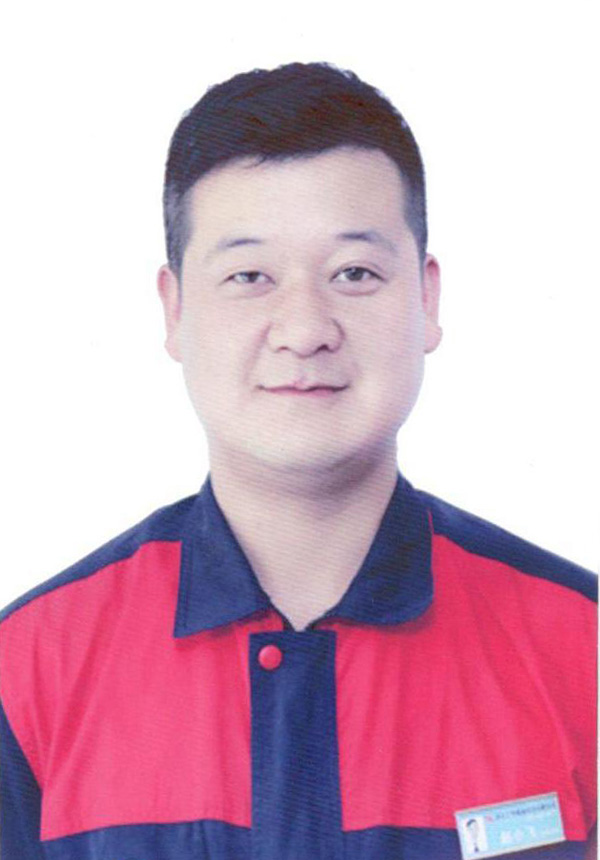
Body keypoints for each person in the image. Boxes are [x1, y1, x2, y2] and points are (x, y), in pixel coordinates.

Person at [0, 62, 596, 860]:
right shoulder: (28, 669)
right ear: (174, 309)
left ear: (427, 299)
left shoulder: (581, 649)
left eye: (355, 274)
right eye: (249, 276)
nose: (305, 328)